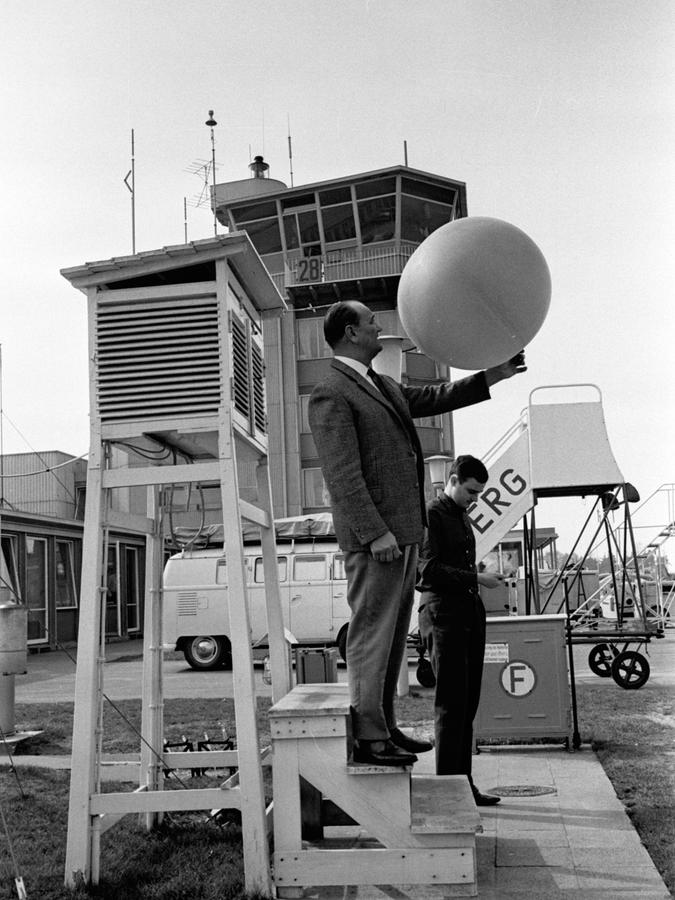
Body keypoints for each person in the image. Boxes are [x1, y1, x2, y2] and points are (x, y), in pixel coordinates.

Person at [308, 300, 525, 767]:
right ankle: (369, 736)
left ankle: (382, 725)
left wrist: (493, 375)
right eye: (371, 321)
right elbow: (342, 474)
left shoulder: (380, 385)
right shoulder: (331, 392)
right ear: (350, 332)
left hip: (403, 534)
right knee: (372, 634)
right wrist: (374, 533)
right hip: (379, 541)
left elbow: (434, 398)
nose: (379, 325)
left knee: (389, 638)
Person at [417, 454, 503, 805]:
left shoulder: (461, 516)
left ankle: (461, 786)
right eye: (471, 491)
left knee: (466, 705)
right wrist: (477, 577)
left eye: (480, 493)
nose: (475, 498)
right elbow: (427, 571)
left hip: (466, 615)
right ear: (452, 480)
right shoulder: (432, 516)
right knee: (451, 706)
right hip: (444, 617)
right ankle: (448, 791)